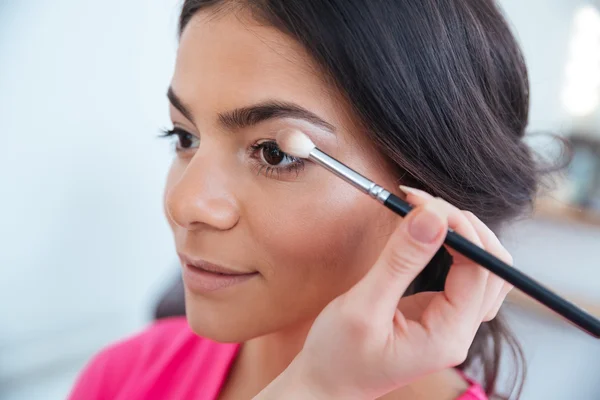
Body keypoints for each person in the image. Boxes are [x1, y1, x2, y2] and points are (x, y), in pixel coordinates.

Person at [69, 0, 537, 398]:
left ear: (431, 197)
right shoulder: (123, 375)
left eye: (273, 154)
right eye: (184, 136)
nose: (185, 202)